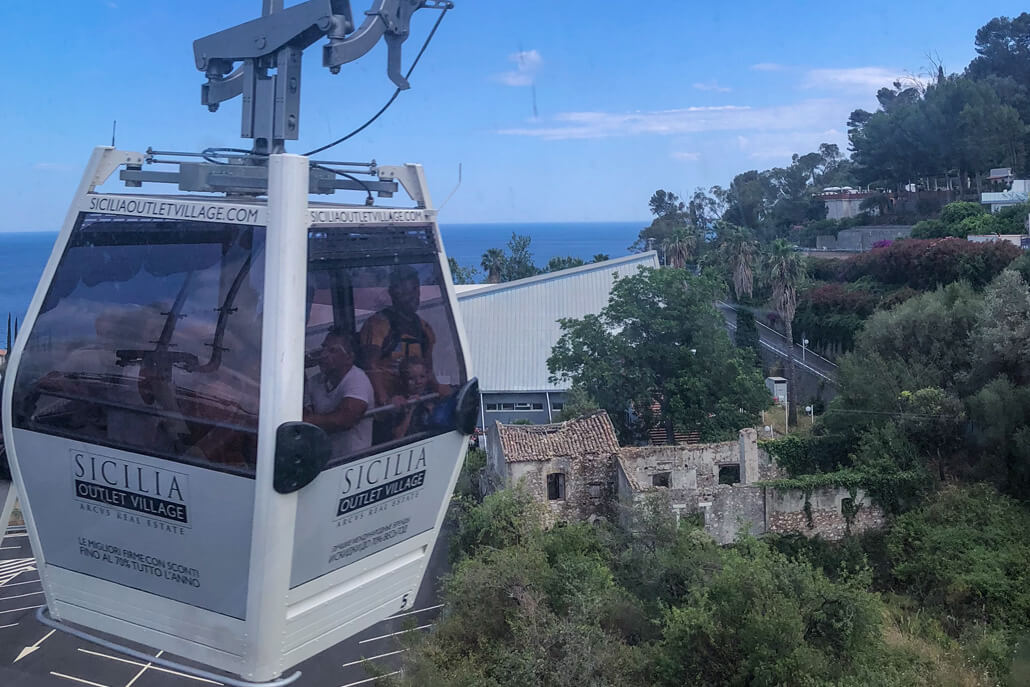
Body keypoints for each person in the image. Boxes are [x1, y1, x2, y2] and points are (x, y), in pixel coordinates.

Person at [359, 265, 439, 407]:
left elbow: (428, 369)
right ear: (393, 293)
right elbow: (370, 365)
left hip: (414, 403)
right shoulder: (378, 324)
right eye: (405, 293)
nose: (413, 298)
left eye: (415, 290)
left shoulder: (424, 329)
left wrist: (438, 389)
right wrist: (385, 401)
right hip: (384, 409)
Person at [303, 328, 374, 458]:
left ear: (349, 357)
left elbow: (344, 419)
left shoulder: (357, 379)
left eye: (332, 351)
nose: (323, 355)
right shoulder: (314, 382)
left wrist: (305, 421)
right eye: (323, 348)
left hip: (353, 461)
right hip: (323, 460)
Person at [391, 357, 455, 439]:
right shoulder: (400, 402)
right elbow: (398, 436)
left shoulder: (434, 395)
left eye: (422, 377)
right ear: (403, 380)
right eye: (411, 378)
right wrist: (410, 409)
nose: (418, 382)